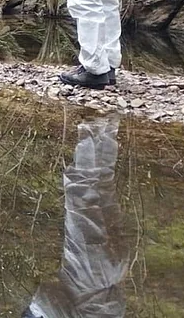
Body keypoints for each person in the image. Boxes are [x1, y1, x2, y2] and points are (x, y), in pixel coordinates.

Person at [23, 114, 127, 317]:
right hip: (89, 271)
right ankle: (93, 122)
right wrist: (31, 311)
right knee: (81, 190)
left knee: (102, 185)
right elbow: (47, 296)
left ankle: (108, 126)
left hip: (113, 272)